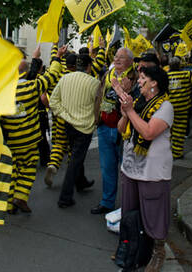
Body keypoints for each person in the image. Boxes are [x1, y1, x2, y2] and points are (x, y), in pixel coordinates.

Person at [113, 65, 174, 272]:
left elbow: (148, 132)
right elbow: (121, 129)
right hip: (130, 167)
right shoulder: (138, 102)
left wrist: (130, 111)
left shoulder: (165, 106)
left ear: (154, 83)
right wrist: (125, 113)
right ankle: (131, 250)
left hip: (152, 171)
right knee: (130, 211)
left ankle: (158, 252)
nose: (139, 82)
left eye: (143, 78)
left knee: (154, 213)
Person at [0, 45, 64, 213]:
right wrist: (57, 56)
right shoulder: (33, 87)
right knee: (28, 167)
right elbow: (52, 75)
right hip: (29, 141)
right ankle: (20, 197)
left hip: (11, 140)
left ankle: (7, 204)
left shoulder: (2, 91)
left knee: (11, 170)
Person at [45, 38, 106, 187]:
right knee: (74, 152)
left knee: (59, 144)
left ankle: (53, 164)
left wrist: (55, 46)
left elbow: (55, 61)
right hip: (76, 118)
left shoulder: (58, 73)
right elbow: (97, 64)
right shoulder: (81, 76)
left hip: (59, 116)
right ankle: (75, 181)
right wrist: (101, 48)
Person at [49, 54, 100, 208]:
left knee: (76, 156)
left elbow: (53, 101)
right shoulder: (94, 83)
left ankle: (81, 182)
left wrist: (64, 114)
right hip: (84, 126)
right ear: (88, 66)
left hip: (68, 124)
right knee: (75, 160)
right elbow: (98, 106)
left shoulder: (65, 78)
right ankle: (65, 197)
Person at [91, 47, 136, 214]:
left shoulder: (135, 77)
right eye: (116, 56)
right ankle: (107, 202)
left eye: (122, 58)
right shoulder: (107, 75)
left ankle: (128, 205)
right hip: (104, 126)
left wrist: (127, 89)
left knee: (126, 169)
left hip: (123, 130)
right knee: (107, 167)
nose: (117, 60)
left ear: (130, 61)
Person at [167, 52, 192, 159]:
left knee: (168, 132)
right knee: (179, 132)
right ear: (180, 65)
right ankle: (177, 153)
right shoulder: (186, 75)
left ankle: (167, 152)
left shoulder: (165, 77)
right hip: (183, 109)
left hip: (168, 110)